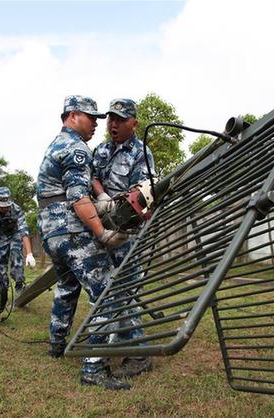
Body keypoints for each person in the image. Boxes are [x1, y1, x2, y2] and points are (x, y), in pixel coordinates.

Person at [37, 95, 130, 390]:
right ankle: (93, 368)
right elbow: (78, 197)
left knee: (66, 287)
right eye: (92, 118)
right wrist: (101, 232)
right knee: (107, 294)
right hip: (72, 231)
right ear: (73, 115)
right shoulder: (77, 149)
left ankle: (56, 343)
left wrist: (99, 201)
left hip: (51, 232)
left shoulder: (56, 144)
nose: (97, 125)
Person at [92, 98, 156, 378]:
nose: (113, 124)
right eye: (110, 119)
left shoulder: (142, 153)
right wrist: (101, 194)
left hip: (127, 232)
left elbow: (143, 194)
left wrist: (117, 209)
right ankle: (112, 341)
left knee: (127, 290)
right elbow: (92, 177)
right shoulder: (101, 150)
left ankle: (140, 353)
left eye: (119, 119)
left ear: (134, 123)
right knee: (106, 290)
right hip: (101, 229)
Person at [0, 186, 35, 296]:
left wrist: (29, 253)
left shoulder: (16, 209)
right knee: (0, 263)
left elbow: (24, 231)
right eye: (3, 207)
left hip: (15, 234)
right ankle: (2, 289)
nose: (6, 209)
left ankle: (19, 285)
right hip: (0, 237)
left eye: (7, 206)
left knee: (16, 254)